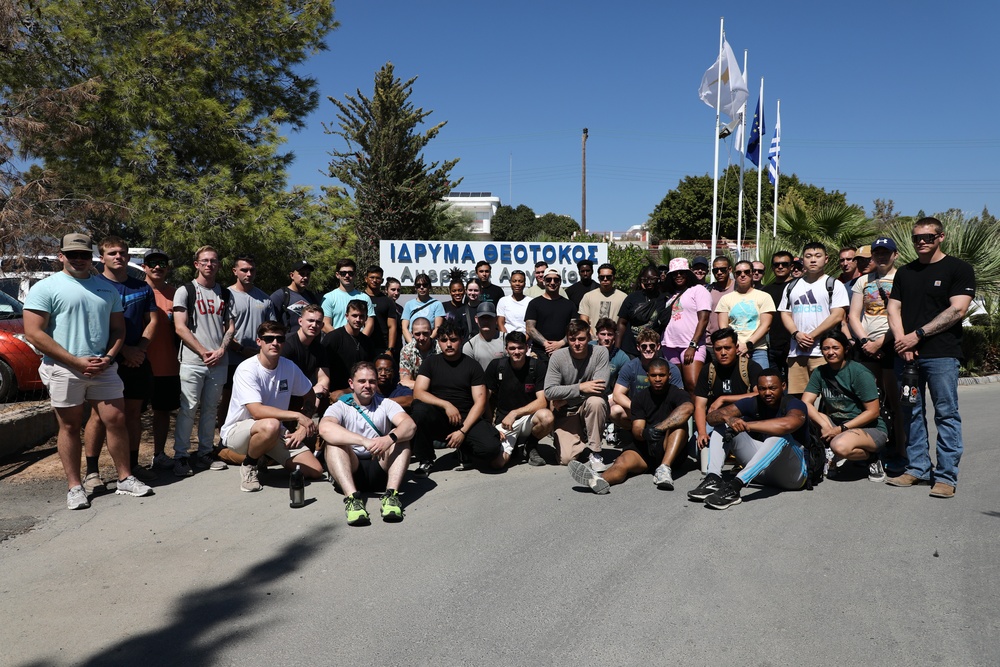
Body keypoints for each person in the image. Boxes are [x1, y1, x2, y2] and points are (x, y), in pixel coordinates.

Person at [23, 233, 152, 509]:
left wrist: (108, 357)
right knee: (69, 426)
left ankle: (125, 478)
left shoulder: (106, 289)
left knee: (115, 419)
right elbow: (33, 333)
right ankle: (74, 486)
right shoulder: (46, 288)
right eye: (72, 255)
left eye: (83, 255)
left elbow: (118, 329)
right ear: (61, 257)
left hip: (103, 367)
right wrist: (74, 361)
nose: (79, 260)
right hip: (64, 368)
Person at [886, 217, 975, 498]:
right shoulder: (905, 273)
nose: (921, 242)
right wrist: (903, 342)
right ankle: (917, 468)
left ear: (941, 237)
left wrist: (918, 335)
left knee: (946, 414)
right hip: (907, 356)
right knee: (910, 411)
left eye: (927, 237)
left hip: (941, 355)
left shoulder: (958, 269)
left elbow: (957, 310)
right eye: (916, 238)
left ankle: (946, 476)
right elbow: (893, 309)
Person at [84, 237, 159, 487]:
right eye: (112, 253)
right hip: (106, 360)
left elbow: (153, 322)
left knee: (133, 414)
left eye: (123, 253)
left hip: (137, 361)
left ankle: (132, 466)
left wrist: (139, 350)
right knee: (98, 415)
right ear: (102, 257)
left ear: (128, 257)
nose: (118, 256)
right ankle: (92, 472)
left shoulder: (142, 287)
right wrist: (123, 350)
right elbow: (95, 326)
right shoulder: (93, 286)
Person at [219, 321, 324, 493]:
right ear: (259, 341)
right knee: (271, 424)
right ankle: (248, 465)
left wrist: (301, 427)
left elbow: (310, 395)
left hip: (273, 432)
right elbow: (256, 411)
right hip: (239, 431)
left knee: (314, 470)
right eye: (269, 339)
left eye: (279, 339)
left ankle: (264, 454)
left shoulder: (288, 367)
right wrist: (297, 416)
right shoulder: (247, 369)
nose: (275, 343)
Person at [688, 368, 811, 510]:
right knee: (723, 426)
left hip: (793, 476)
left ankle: (734, 487)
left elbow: (788, 424)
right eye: (762, 389)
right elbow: (711, 417)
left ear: (783, 386)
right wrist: (728, 418)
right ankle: (713, 478)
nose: (767, 393)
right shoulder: (753, 402)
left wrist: (747, 425)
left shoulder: (795, 404)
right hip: (761, 472)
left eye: (772, 388)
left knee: (779, 436)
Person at [568, 359, 692, 494]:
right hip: (646, 447)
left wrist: (659, 428)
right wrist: (644, 433)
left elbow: (688, 408)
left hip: (670, 448)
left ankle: (664, 468)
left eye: (661, 375)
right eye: (653, 375)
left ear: (669, 376)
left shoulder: (678, 393)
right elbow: (637, 428)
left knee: (680, 426)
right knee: (621, 462)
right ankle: (598, 480)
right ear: (647, 376)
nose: (657, 379)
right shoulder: (640, 398)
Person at [320, 362, 415, 525]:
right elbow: (324, 428)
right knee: (334, 443)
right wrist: (363, 441)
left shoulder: (386, 404)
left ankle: (391, 497)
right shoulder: (341, 406)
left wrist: (388, 439)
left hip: (379, 467)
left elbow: (410, 425)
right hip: (351, 470)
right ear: (351, 383)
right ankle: (352, 500)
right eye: (362, 381)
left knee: (401, 438)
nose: (367, 385)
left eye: (371, 381)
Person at [410, 321, 505, 477]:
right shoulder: (430, 363)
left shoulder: (472, 366)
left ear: (461, 340)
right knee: (419, 409)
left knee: (491, 449)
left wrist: (462, 431)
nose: (448, 344)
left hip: (466, 419)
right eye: (444, 340)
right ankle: (426, 459)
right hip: (440, 417)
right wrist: (446, 405)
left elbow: (480, 402)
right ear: (438, 341)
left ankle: (465, 450)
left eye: (453, 340)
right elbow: (418, 392)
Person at [172, 245, 236, 477]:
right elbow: (180, 327)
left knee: (210, 409)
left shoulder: (225, 293)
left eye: (214, 261)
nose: (210, 265)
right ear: (196, 264)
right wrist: (202, 351)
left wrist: (220, 350)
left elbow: (230, 326)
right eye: (205, 261)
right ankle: (181, 455)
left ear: (218, 265)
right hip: (192, 361)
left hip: (218, 361)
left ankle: (205, 452)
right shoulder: (186, 290)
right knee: (188, 408)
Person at [801, 329, 889, 482]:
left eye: (835, 348)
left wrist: (840, 429)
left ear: (846, 349)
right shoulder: (820, 372)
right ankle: (831, 453)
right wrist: (825, 425)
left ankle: (872, 458)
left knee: (840, 446)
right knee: (804, 414)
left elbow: (873, 412)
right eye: (826, 348)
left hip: (869, 428)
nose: (830, 352)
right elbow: (805, 402)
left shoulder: (859, 373)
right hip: (837, 423)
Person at [848, 237, 904, 458]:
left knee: (895, 401)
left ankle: (901, 451)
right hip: (866, 346)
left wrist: (881, 342)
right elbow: (853, 315)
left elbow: (904, 316)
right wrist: (865, 342)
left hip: (892, 344)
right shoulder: (863, 281)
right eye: (877, 252)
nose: (881, 256)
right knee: (869, 400)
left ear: (895, 254)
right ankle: (872, 449)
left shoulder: (903, 278)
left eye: (886, 252)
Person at [778, 242, 850, 395]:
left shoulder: (834, 285)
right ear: (802, 260)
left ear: (826, 259)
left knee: (827, 397)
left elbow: (837, 315)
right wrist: (796, 335)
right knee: (798, 400)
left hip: (823, 352)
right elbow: (785, 313)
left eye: (818, 256)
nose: (813, 260)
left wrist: (811, 337)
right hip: (796, 353)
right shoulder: (792, 286)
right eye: (808, 256)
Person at [543, 319, 611, 470]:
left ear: (589, 338)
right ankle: (578, 436)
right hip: (567, 413)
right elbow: (549, 391)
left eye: (581, 339)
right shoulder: (558, 357)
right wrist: (581, 387)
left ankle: (595, 451)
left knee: (596, 402)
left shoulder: (600, 352)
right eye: (572, 339)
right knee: (566, 459)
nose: (577, 343)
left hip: (585, 405)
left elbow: (600, 387)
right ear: (567, 339)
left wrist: (567, 400)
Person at [484, 332, 554, 466]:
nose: (516, 352)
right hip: (505, 422)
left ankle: (531, 446)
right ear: (506, 349)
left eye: (520, 348)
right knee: (497, 463)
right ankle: (514, 446)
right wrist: (489, 426)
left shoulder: (537, 366)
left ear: (527, 348)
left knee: (547, 417)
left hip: (529, 418)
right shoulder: (497, 366)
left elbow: (542, 401)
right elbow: (485, 399)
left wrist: (515, 413)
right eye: (512, 348)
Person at [220, 254, 275, 424]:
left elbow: (271, 329)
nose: (248, 274)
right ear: (235, 271)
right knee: (229, 400)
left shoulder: (265, 298)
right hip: (232, 359)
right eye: (244, 270)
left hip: (259, 360)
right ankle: (223, 440)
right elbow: (221, 327)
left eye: (252, 270)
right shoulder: (225, 295)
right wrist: (240, 349)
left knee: (258, 401)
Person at [143, 250, 183, 471]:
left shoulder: (176, 294)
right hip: (138, 364)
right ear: (144, 267)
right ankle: (130, 461)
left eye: (162, 263)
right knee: (132, 415)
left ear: (167, 267)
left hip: (168, 365)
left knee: (162, 412)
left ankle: (158, 454)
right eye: (152, 263)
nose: (157, 267)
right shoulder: (137, 291)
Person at [693, 328, 763, 453]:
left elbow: (759, 394)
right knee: (695, 450)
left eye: (727, 348)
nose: (723, 353)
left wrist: (724, 398)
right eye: (718, 349)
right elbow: (699, 406)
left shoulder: (750, 367)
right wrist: (702, 433)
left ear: (736, 348)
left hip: (743, 419)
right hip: (716, 420)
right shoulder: (708, 370)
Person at [610, 328, 683, 438]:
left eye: (652, 346)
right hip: (638, 410)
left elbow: (680, 397)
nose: (648, 349)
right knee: (614, 411)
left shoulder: (671, 368)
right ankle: (635, 432)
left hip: (662, 411)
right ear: (638, 347)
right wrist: (638, 408)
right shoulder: (630, 367)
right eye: (644, 346)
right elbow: (617, 395)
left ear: (658, 347)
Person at [659, 257, 711, 393]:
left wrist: (693, 345)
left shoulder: (698, 290)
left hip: (691, 346)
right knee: (674, 388)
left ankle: (697, 414)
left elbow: (704, 319)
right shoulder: (668, 295)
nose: (678, 276)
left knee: (693, 385)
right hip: (669, 346)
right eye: (675, 274)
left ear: (688, 274)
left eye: (682, 272)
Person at [716, 260, 775, 369]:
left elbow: (766, 325)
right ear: (734, 275)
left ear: (752, 273)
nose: (742, 275)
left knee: (761, 382)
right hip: (734, 349)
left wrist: (748, 345)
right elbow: (723, 326)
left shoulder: (764, 297)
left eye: (746, 272)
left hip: (758, 349)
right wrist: (737, 346)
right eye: (739, 273)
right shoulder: (725, 299)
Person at [279, 304, 331, 416]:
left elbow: (324, 378)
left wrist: (315, 396)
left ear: (322, 325)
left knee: (327, 399)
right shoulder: (287, 344)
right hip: (284, 394)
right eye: (310, 320)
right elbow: (281, 379)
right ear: (300, 321)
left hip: (306, 394)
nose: (314, 325)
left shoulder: (319, 348)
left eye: (318, 322)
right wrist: (310, 393)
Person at [323, 299, 376, 399]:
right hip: (334, 393)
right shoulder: (333, 338)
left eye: (361, 316)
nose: (358, 320)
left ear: (366, 318)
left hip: (360, 393)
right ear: (347, 316)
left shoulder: (367, 342)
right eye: (354, 315)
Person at [524, 268, 578, 360]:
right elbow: (530, 328)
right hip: (539, 353)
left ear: (560, 282)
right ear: (544, 281)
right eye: (548, 279)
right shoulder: (534, 303)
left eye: (556, 280)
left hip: (565, 352)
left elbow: (575, 328)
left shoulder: (570, 305)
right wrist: (546, 344)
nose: (552, 283)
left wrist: (560, 343)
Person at [616, 265, 668, 358]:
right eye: (645, 279)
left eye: (652, 279)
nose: (649, 282)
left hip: (651, 349)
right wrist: (617, 348)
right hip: (630, 349)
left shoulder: (664, 299)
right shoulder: (632, 297)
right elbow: (621, 322)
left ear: (658, 279)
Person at [761, 251, 796, 378]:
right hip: (771, 347)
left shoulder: (799, 287)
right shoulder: (766, 291)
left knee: (793, 386)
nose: (780, 267)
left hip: (794, 345)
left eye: (784, 264)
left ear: (791, 266)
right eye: (777, 264)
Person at [321, 258, 375, 335]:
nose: (347, 276)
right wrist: (341, 340)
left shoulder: (365, 298)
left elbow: (370, 324)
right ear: (337, 275)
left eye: (350, 273)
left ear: (355, 275)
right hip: (337, 343)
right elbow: (325, 324)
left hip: (359, 344)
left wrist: (360, 341)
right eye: (343, 273)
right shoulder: (329, 297)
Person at [269, 260, 319, 332]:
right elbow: (270, 322)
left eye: (308, 274)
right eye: (302, 274)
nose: (305, 277)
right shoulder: (280, 296)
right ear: (292, 275)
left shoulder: (311, 296)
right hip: (286, 341)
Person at [578, 263, 627, 334]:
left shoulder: (623, 297)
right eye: (602, 277)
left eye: (608, 277)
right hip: (594, 340)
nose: (605, 279)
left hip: (615, 339)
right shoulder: (588, 296)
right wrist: (590, 334)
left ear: (614, 278)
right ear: (598, 278)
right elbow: (584, 317)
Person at [363, 265, 398, 357]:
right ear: (366, 279)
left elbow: (392, 327)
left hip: (382, 347)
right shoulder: (359, 298)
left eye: (378, 278)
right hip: (362, 345)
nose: (374, 280)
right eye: (372, 277)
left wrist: (390, 349)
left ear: (382, 281)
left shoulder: (388, 301)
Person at [401, 273, 445, 343]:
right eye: (418, 285)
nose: (421, 287)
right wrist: (412, 345)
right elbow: (404, 328)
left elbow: (437, 328)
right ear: (415, 287)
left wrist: (427, 343)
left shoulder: (437, 304)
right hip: (412, 344)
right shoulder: (408, 304)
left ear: (429, 286)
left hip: (430, 344)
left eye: (425, 285)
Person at [398, 317, 440, 389]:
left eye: (425, 333)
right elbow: (405, 382)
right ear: (412, 333)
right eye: (417, 334)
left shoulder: (440, 348)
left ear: (431, 332)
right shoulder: (407, 350)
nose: (421, 338)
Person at [462, 301, 505, 370]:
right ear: (476, 319)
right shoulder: (470, 346)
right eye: (482, 318)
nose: (486, 321)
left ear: (496, 319)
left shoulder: (506, 340)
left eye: (489, 317)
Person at [705, 256, 735, 343]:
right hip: (711, 342)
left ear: (730, 269)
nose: (719, 273)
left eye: (723, 269)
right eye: (715, 270)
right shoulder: (709, 290)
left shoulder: (738, 288)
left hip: (734, 342)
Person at [496, 269, 531, 334]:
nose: (517, 284)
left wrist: (524, 341)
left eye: (520, 281)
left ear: (524, 284)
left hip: (526, 341)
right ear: (510, 283)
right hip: (507, 340)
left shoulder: (530, 302)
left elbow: (532, 326)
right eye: (514, 281)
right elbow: (500, 323)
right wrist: (506, 339)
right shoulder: (503, 301)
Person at [443, 273, 476, 342]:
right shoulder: (443, 307)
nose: (457, 293)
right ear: (450, 292)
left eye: (460, 290)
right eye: (454, 291)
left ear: (464, 291)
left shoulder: (467, 308)